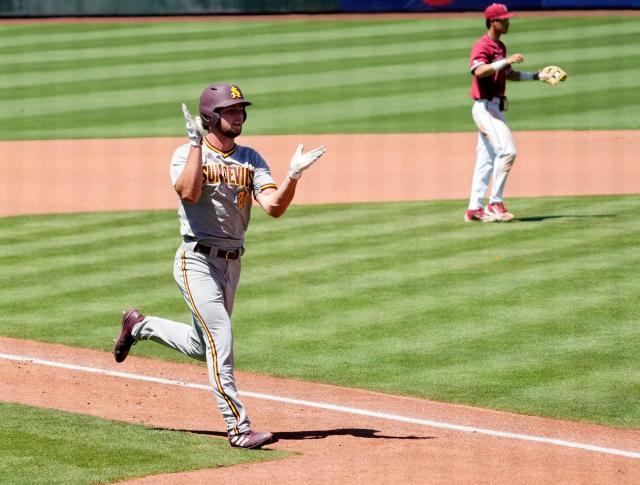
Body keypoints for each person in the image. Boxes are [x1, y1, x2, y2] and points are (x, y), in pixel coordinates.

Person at [112, 83, 326, 449]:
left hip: (231, 265)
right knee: (222, 340)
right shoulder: (185, 154)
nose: (239, 114)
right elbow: (188, 193)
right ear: (211, 117)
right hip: (195, 261)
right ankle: (238, 427)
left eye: (241, 109)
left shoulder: (251, 158)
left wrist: (293, 177)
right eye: (230, 110)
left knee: (202, 344)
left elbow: (273, 207)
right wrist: (196, 145)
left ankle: (139, 326)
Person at [465, 3, 553, 222]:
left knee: (486, 160)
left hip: (494, 107)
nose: (508, 22)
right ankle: (495, 203)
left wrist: (536, 76)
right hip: (485, 107)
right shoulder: (482, 45)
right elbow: (479, 71)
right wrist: (504, 61)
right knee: (507, 152)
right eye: (504, 20)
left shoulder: (500, 46)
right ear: (492, 22)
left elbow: (508, 74)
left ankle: (474, 209)